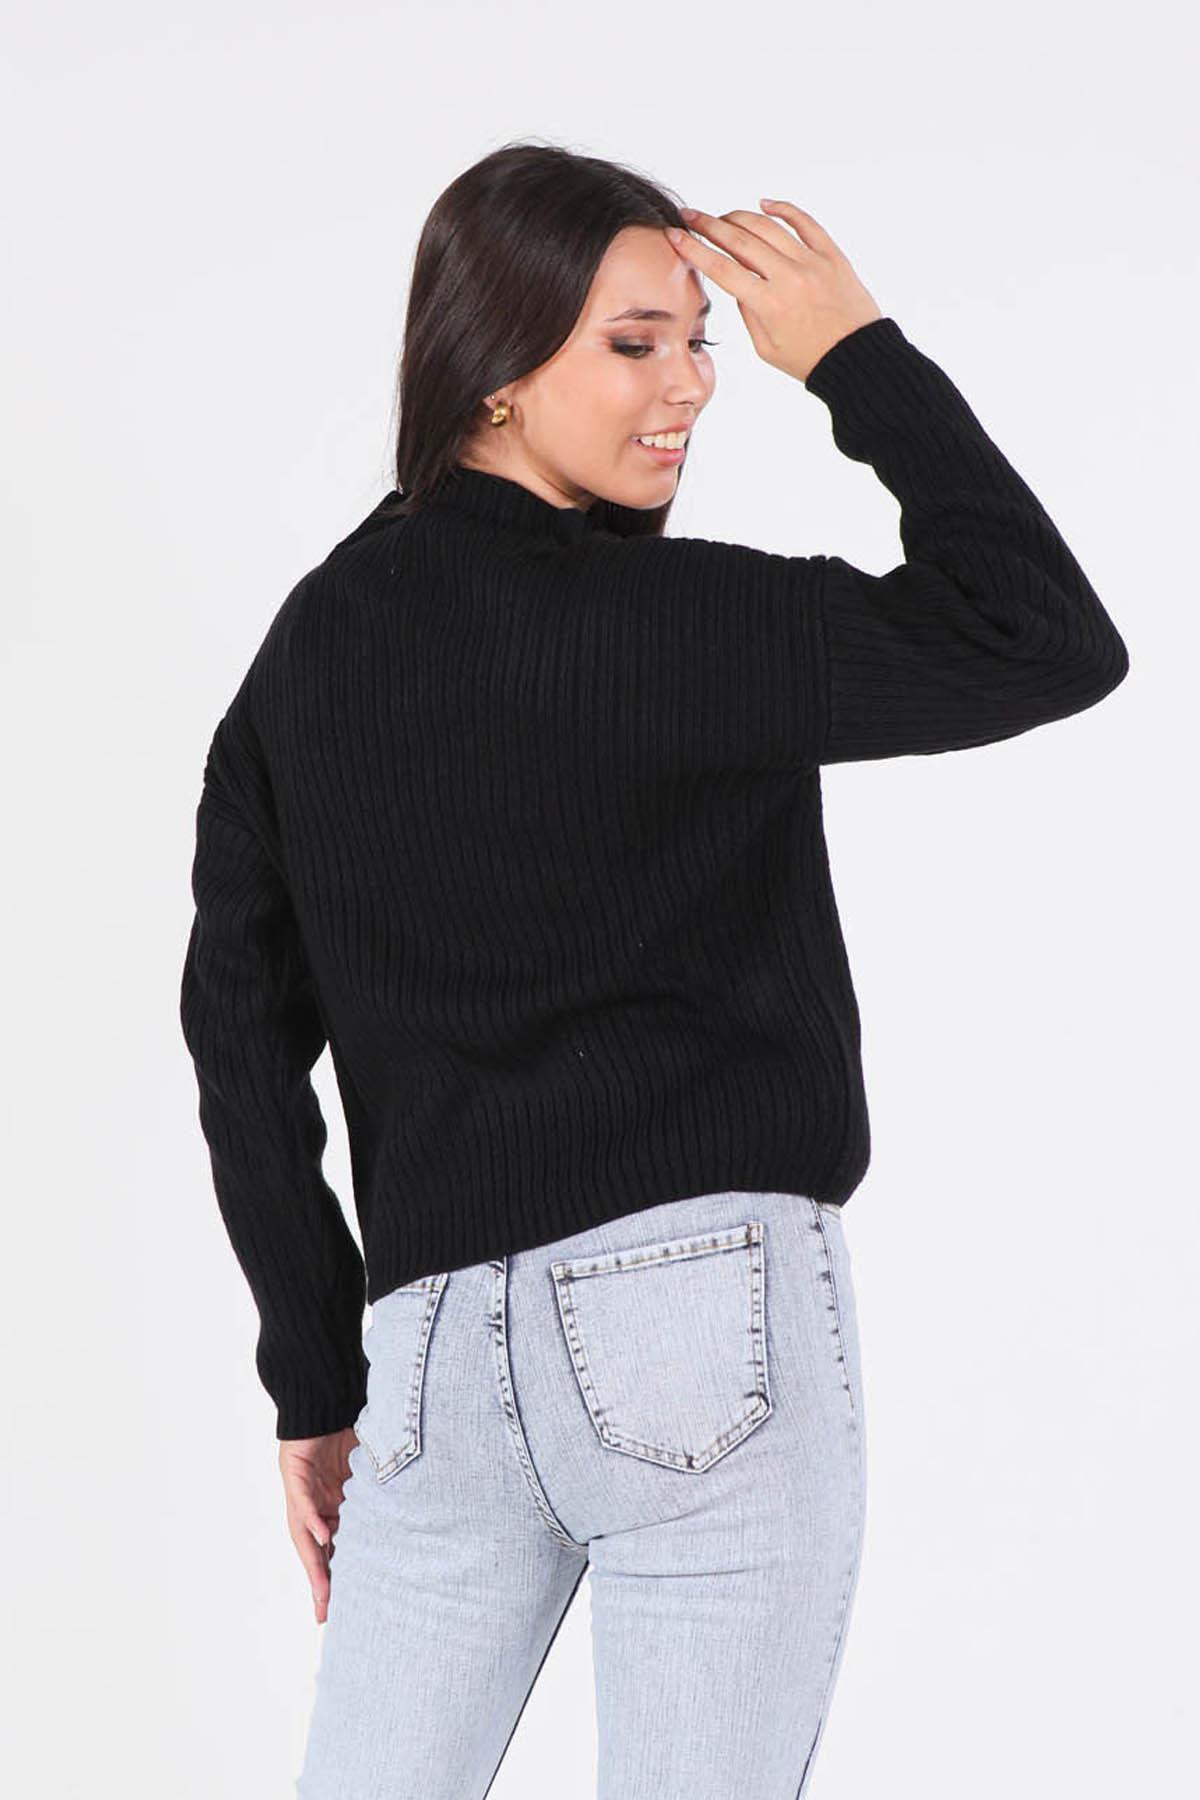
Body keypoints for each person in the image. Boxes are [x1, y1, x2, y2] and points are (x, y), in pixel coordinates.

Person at [178, 142, 1129, 1799]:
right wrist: (855, 357)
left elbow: (237, 1041)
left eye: (701, 339)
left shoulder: (305, 654)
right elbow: (1046, 636)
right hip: (698, 1316)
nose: (693, 382)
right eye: (636, 343)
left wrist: (316, 1383)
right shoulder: (688, 625)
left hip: (431, 1359)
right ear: (491, 368)